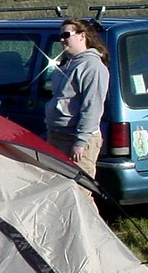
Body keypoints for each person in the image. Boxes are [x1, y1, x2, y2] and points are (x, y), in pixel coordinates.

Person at [45, 18, 110, 190]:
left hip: (77, 140)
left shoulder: (93, 67)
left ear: (82, 36)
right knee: (60, 189)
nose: (62, 39)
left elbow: (92, 108)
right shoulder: (67, 64)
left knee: (80, 190)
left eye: (66, 35)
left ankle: (90, 212)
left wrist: (80, 142)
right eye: (60, 36)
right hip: (58, 135)